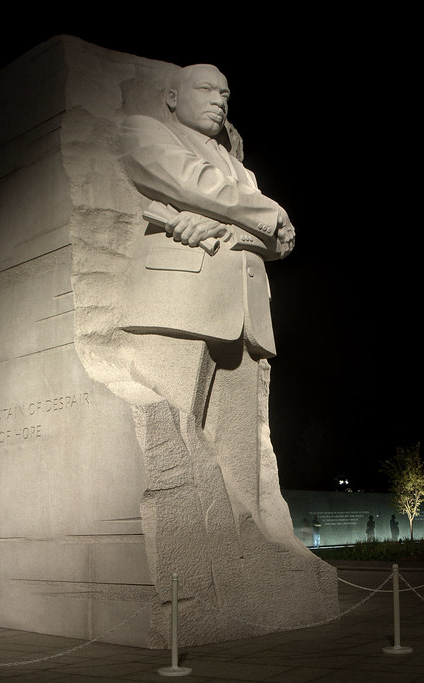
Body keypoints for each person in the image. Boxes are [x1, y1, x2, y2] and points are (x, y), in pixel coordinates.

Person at [116, 64, 297, 536]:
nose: (219, 99)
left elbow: (282, 243)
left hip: (244, 315)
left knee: (239, 461)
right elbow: (190, 181)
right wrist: (267, 211)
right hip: (178, 304)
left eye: (226, 93)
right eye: (206, 89)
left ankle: (244, 554)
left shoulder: (242, 168)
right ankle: (187, 554)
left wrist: (225, 225)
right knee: (174, 446)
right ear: (173, 97)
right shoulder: (144, 129)